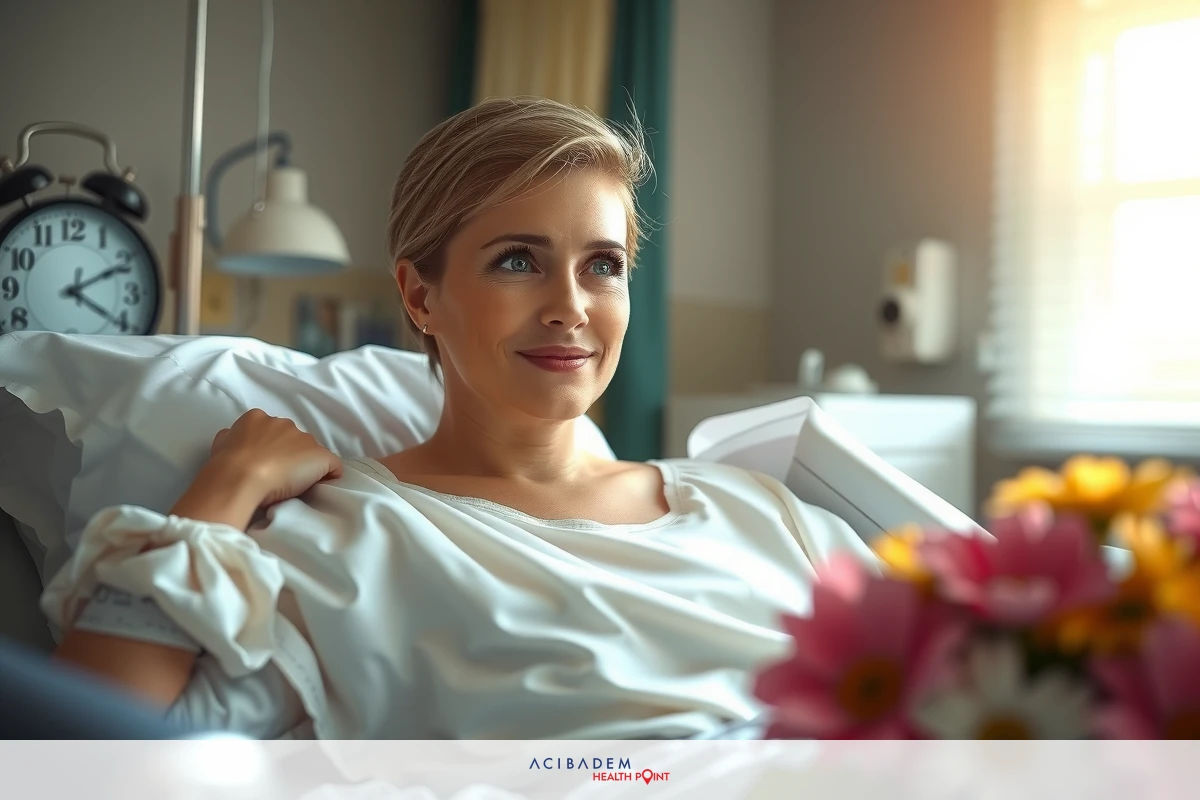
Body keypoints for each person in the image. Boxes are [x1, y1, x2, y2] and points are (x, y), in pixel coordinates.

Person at [42, 96, 874, 739]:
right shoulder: (350, 539)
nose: (571, 308)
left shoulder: (758, 509)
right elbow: (88, 742)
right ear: (418, 295)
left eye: (604, 266)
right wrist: (227, 485)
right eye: (519, 260)